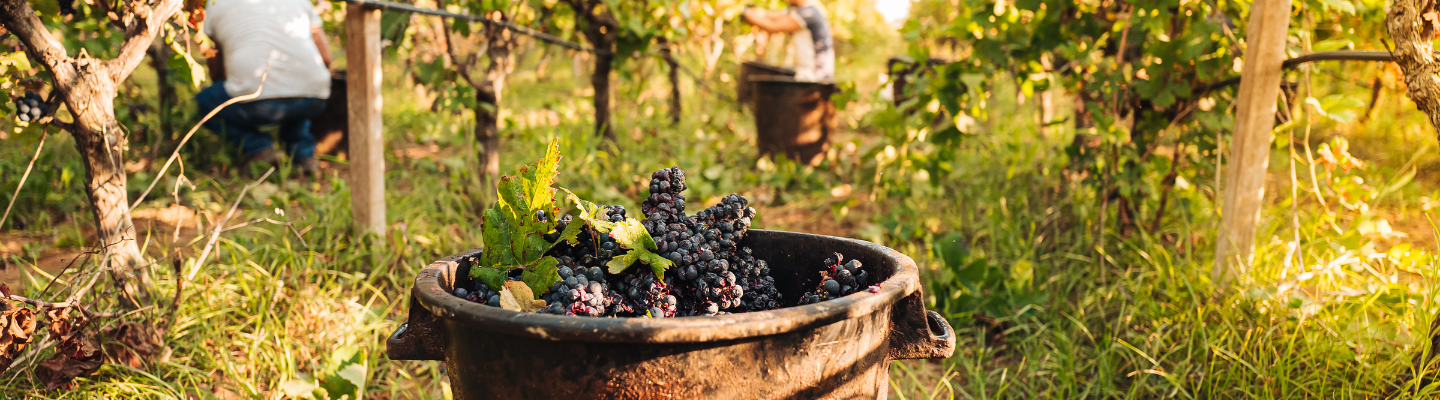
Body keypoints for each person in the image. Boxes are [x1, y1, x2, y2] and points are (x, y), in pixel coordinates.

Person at [196, 0, 333, 175]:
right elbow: (326, 57)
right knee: (298, 98)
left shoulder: (216, 3)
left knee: (206, 101)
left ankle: (259, 147)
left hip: (256, 99)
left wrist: (227, 83)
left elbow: (213, 57)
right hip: (314, 98)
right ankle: (303, 155)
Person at [742, 0, 835, 82]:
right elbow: (772, 15)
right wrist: (751, 11)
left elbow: (773, 27)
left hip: (815, 77)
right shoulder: (798, 9)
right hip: (807, 73)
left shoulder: (808, 13)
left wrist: (745, 12)